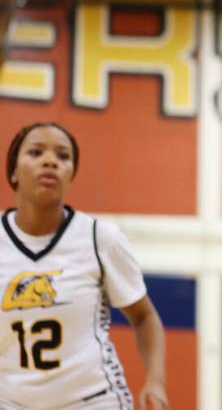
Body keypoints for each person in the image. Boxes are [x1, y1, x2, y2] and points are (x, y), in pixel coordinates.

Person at [1, 122, 168, 410]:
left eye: (63, 156)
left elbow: (144, 317)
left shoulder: (100, 238)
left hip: (92, 399)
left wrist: (156, 379)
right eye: (36, 152)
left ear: (71, 175)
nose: (50, 161)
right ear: (13, 171)